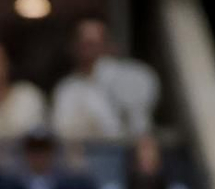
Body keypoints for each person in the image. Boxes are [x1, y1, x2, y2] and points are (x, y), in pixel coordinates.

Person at [50, 15, 160, 147]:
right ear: (73, 45)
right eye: (83, 42)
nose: (88, 49)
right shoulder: (66, 87)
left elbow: (140, 124)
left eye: (94, 43)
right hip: (73, 160)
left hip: (116, 156)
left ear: (108, 44)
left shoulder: (129, 77)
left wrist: (145, 145)